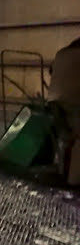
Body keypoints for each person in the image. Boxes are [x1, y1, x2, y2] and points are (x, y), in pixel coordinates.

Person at [48, 36, 80, 185]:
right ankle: (74, 180)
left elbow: (50, 70)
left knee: (64, 137)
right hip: (74, 103)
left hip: (54, 101)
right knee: (77, 138)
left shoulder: (62, 53)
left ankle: (61, 173)